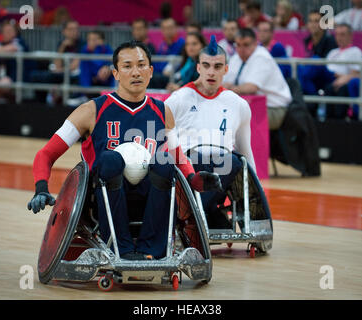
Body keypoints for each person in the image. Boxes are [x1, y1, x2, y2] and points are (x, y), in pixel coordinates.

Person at [27, 40, 222, 260]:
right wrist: (41, 187)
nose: (135, 72)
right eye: (128, 66)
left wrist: (195, 180)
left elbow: (178, 157)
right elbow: (46, 153)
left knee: (164, 161)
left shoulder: (162, 110)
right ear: (116, 73)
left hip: (149, 197)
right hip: (101, 201)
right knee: (110, 159)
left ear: (150, 72)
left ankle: (151, 251)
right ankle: (122, 249)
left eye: (141, 65)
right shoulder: (91, 110)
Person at [165, 36, 256, 229]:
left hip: (223, 172)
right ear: (198, 68)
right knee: (195, 159)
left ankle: (195, 216)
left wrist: (256, 190)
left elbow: (246, 151)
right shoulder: (177, 100)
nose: (211, 72)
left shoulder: (238, 104)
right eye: (206, 65)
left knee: (233, 160)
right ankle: (206, 214)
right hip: (188, 169)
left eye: (217, 67)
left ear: (226, 69)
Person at [223, 28, 292, 131]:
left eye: (246, 45)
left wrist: (229, 89)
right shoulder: (237, 57)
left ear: (255, 44)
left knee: (235, 119)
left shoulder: (262, 57)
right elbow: (225, 82)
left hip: (274, 108)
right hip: (251, 105)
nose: (241, 49)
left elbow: (251, 88)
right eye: (238, 45)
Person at [298, 24, 362, 119]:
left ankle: (302, 93)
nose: (339, 37)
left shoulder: (355, 51)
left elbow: (355, 73)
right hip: (327, 77)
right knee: (302, 69)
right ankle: (308, 102)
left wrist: (341, 78)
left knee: (315, 60)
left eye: (343, 34)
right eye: (337, 34)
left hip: (337, 78)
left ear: (350, 36)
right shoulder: (333, 52)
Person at [29, 20, 83, 104]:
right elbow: (56, 64)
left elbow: (74, 67)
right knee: (35, 76)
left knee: (49, 76)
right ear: (64, 31)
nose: (75, 31)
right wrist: (62, 47)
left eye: (76, 29)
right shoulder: (61, 44)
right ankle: (41, 104)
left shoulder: (82, 45)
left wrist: (59, 71)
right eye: (71, 29)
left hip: (74, 75)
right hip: (61, 73)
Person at [67, 30, 114, 107]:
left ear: (101, 41)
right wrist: (86, 92)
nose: (90, 42)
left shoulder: (107, 49)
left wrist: (108, 67)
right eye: (89, 39)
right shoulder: (85, 51)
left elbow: (113, 64)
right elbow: (85, 74)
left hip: (107, 85)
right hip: (90, 86)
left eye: (94, 40)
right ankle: (84, 96)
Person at [149, 17, 185, 89]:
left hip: (174, 77)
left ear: (176, 28)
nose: (167, 31)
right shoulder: (162, 45)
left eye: (170, 28)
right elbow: (157, 64)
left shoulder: (182, 44)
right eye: (164, 28)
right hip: (160, 77)